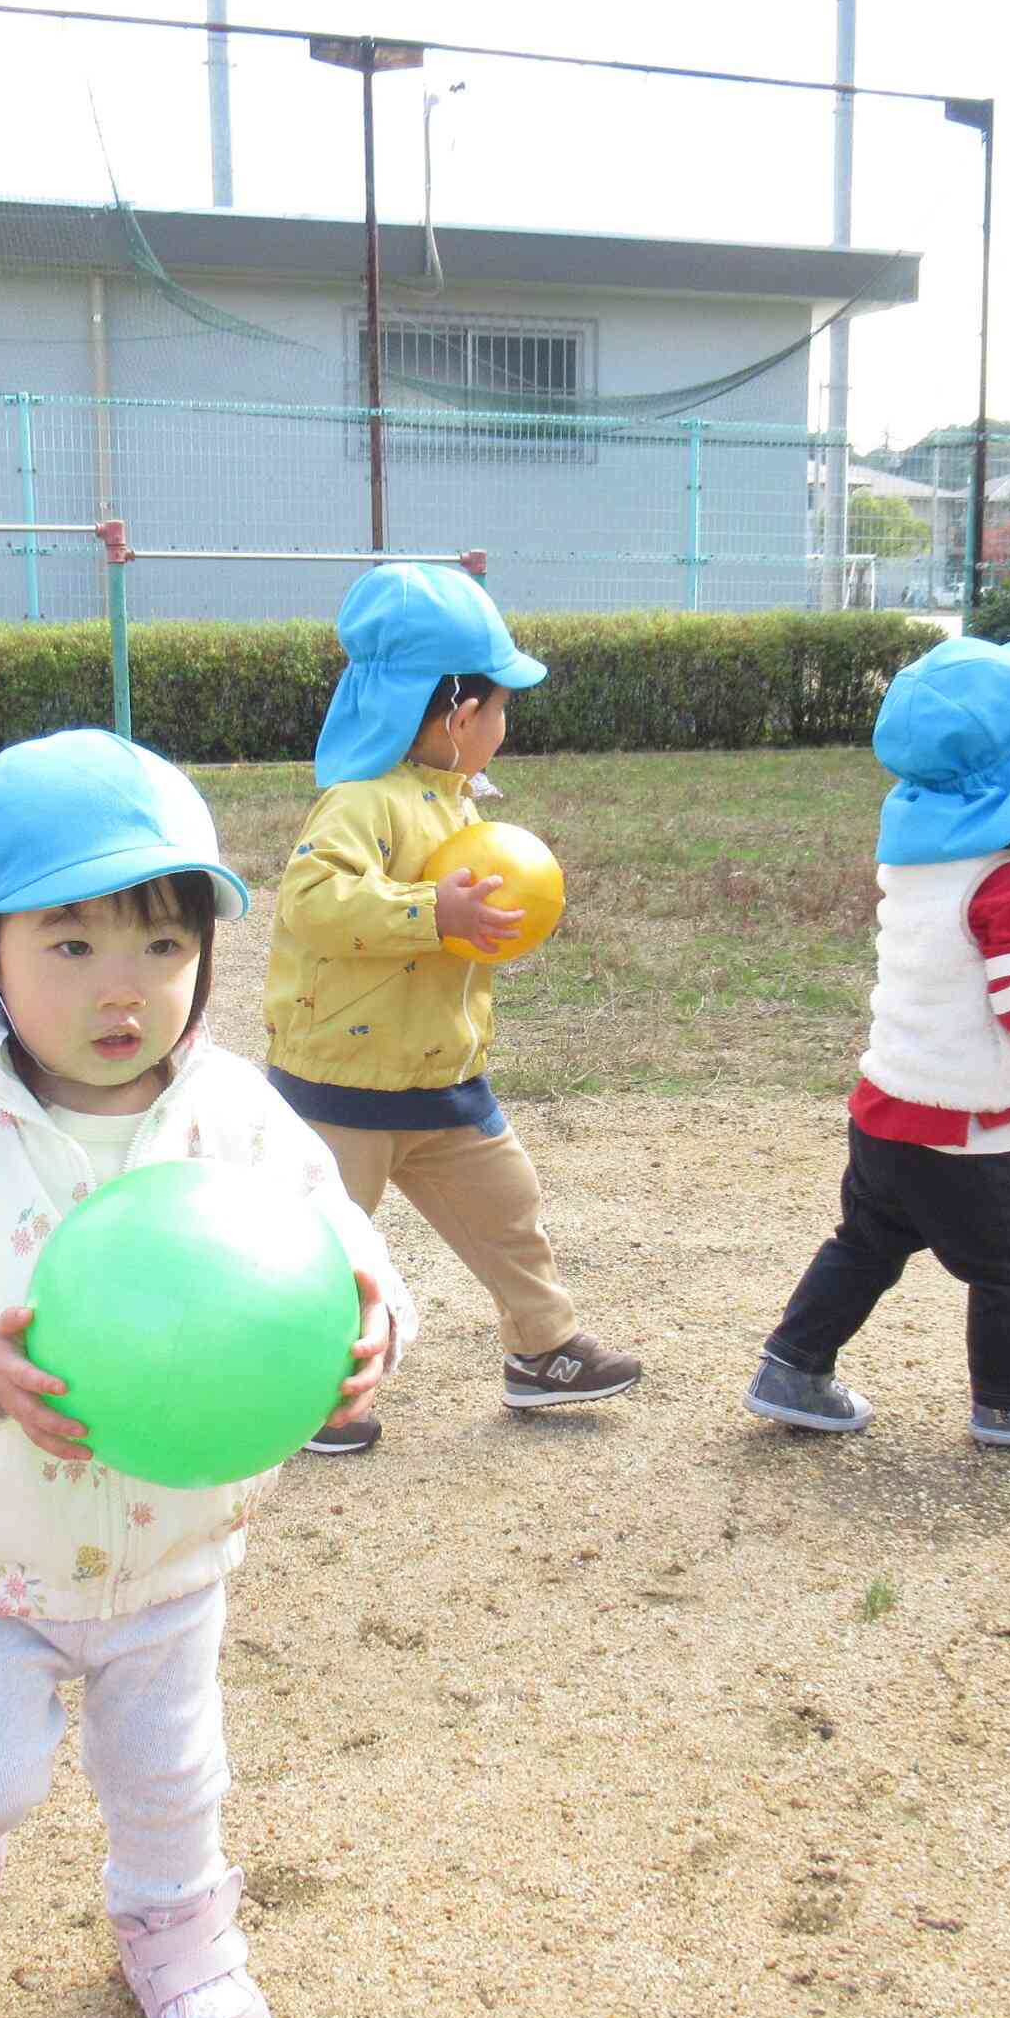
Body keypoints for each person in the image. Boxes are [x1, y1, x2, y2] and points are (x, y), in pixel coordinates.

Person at [0, 729, 416, 2018]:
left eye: (161, 944)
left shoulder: (237, 1114)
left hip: (172, 1539)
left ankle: (178, 1929)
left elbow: (329, 1237)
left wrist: (371, 1313)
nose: (120, 986)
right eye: (69, 944)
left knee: (171, 1777)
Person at [742, 635, 1010, 1449]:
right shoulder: (1007, 878)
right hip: (958, 1131)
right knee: (1007, 1267)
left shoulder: (930, 863)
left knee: (867, 1244)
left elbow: (977, 942)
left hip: (888, 1104)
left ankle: (793, 1367)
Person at [260, 561, 642, 1455]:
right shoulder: (361, 803)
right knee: (323, 1252)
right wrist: (438, 913)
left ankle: (542, 1352)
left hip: (442, 1071)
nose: (504, 728)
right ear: (465, 717)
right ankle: (315, 1394)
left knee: (509, 1208)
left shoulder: (458, 803)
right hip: (341, 1083)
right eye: (502, 709)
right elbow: (312, 902)